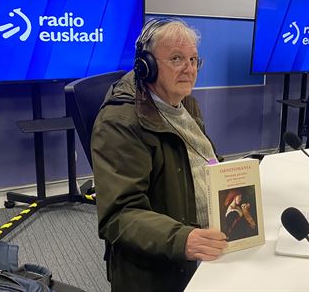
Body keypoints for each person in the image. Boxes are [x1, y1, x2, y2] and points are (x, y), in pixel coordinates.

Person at [91, 18, 228, 292]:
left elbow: (204, 159)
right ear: (147, 66)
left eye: (193, 60)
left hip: (209, 237)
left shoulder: (185, 102)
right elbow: (120, 214)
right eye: (177, 58)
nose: (189, 69)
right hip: (166, 263)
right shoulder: (120, 123)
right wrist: (183, 240)